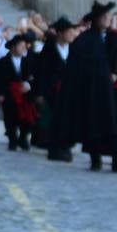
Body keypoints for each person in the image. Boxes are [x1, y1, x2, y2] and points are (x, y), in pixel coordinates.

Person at [54, 1, 117, 172]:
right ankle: (95, 159)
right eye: (104, 17)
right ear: (96, 19)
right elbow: (77, 68)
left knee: (116, 125)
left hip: (113, 91)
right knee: (94, 126)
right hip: (93, 91)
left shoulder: (114, 37)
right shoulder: (84, 41)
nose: (107, 19)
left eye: (109, 16)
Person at [35, 17, 78, 159]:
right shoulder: (49, 49)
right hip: (52, 91)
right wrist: (40, 93)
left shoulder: (73, 49)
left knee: (68, 119)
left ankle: (65, 146)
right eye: (69, 31)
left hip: (69, 91)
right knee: (53, 120)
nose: (72, 34)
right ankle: (54, 148)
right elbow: (41, 72)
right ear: (60, 33)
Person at [0, 32, 37, 151]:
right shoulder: (1, 63)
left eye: (24, 46)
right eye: (21, 45)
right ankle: (12, 139)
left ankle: (23, 138)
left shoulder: (29, 62)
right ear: (13, 47)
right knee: (10, 117)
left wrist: (29, 84)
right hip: (9, 94)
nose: (23, 48)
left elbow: (34, 77)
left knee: (27, 118)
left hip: (25, 94)